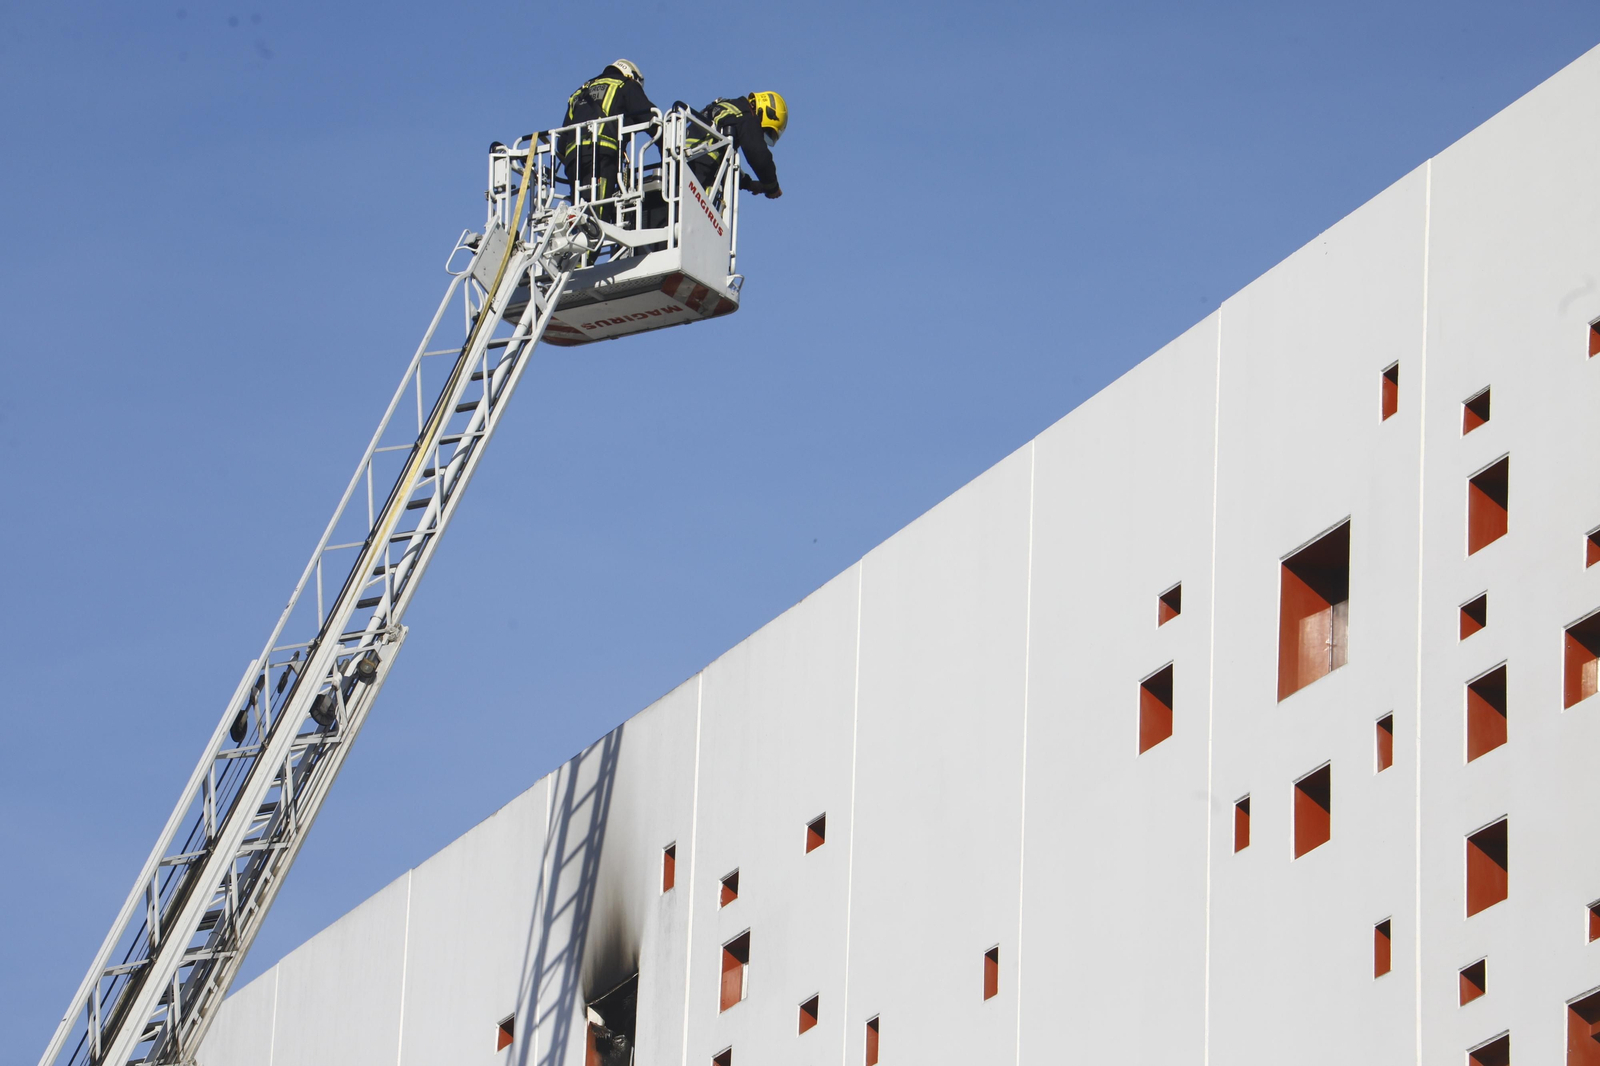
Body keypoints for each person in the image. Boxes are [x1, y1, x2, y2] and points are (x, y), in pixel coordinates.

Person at [559, 60, 656, 219]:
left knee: (580, 215)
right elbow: (651, 118)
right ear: (631, 75)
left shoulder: (579, 92)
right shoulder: (625, 85)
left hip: (573, 161)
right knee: (597, 220)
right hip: (601, 157)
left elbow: (561, 143)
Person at [687, 91, 787, 201]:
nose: (759, 132)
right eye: (765, 130)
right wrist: (772, 186)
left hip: (681, 168)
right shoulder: (746, 114)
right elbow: (758, 154)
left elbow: (722, 162)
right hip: (697, 178)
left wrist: (747, 183)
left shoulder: (727, 110)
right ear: (765, 112)